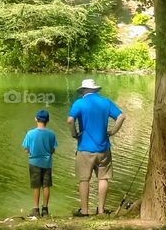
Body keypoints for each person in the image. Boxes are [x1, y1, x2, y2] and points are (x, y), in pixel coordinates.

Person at [68, 79, 126, 217]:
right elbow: (121, 116)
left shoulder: (79, 103)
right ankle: (101, 210)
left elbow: (70, 120)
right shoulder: (105, 102)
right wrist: (113, 131)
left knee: (84, 179)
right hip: (103, 147)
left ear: (83, 90)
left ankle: (85, 211)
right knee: (103, 178)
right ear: (95, 90)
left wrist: (74, 134)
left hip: (85, 148)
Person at [21, 109, 57, 218]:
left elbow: (26, 149)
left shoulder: (30, 133)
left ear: (36, 119)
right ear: (48, 120)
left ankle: (36, 210)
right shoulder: (51, 134)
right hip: (47, 163)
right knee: (46, 186)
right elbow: (53, 149)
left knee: (36, 186)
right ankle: (45, 209)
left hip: (34, 162)